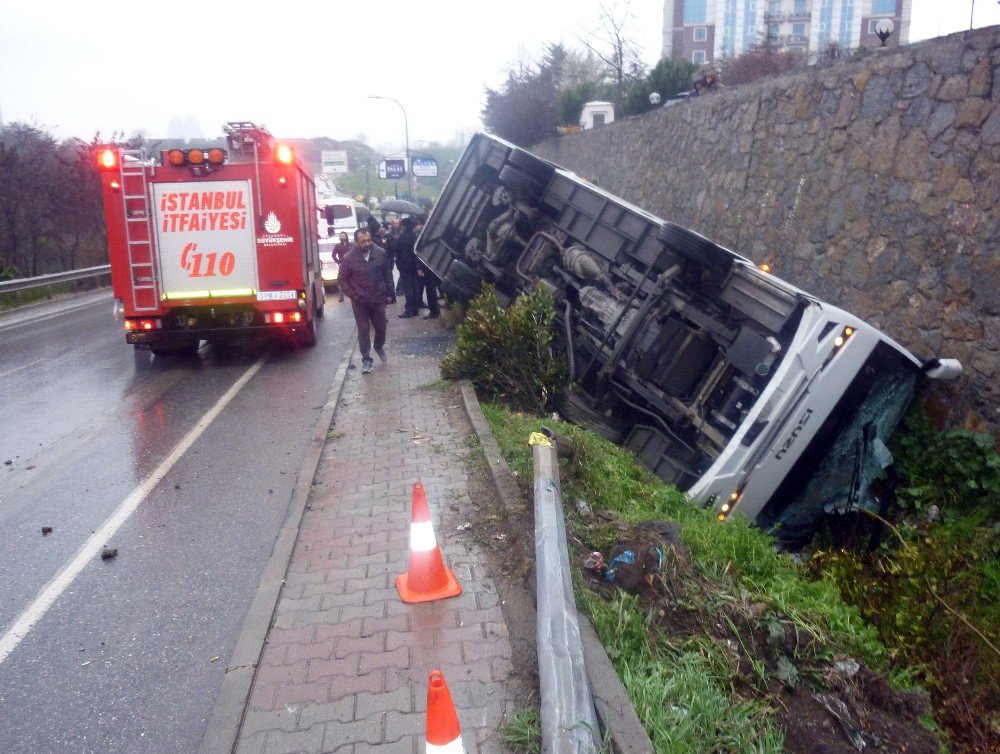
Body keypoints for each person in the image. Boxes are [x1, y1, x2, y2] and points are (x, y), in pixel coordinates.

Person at [337, 228, 393, 374]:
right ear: (356, 242)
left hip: (378, 298)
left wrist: (389, 293)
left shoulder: (380, 253)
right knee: (363, 331)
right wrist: (353, 295)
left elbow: (387, 274)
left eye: (369, 240)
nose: (367, 243)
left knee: (381, 327)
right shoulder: (348, 258)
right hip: (360, 301)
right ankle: (366, 360)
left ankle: (378, 345)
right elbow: (342, 280)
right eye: (363, 241)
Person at [389, 216, 421, 318]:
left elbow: (395, 248)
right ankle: (415, 309)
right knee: (414, 286)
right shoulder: (415, 237)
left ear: (403, 225)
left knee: (408, 288)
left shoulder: (402, 237)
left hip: (404, 265)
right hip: (414, 264)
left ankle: (409, 310)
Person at [331, 231, 351, 302]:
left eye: (343, 236)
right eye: (341, 236)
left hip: (351, 264)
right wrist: (338, 262)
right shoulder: (337, 246)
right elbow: (333, 255)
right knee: (341, 280)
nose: (342, 237)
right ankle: (341, 297)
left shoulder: (351, 245)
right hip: (342, 265)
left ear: (346, 237)